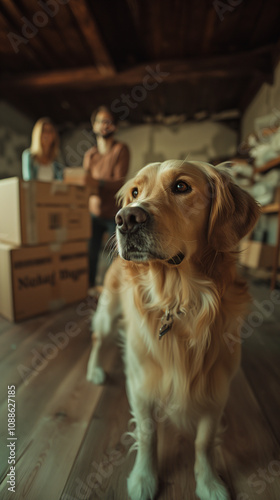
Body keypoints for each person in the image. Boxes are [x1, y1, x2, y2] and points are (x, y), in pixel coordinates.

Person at [83, 106, 130, 288]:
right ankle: (89, 290)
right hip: (93, 212)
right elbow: (85, 184)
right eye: (101, 121)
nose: (105, 125)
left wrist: (95, 182)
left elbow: (118, 182)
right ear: (94, 126)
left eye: (109, 122)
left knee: (116, 256)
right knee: (90, 254)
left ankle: (112, 291)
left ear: (115, 127)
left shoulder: (121, 149)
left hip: (114, 214)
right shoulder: (90, 155)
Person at [22, 117, 63, 181]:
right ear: (38, 134)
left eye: (50, 131)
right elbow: (29, 181)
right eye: (44, 131)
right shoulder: (29, 156)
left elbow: (61, 180)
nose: (47, 134)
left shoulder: (57, 158)